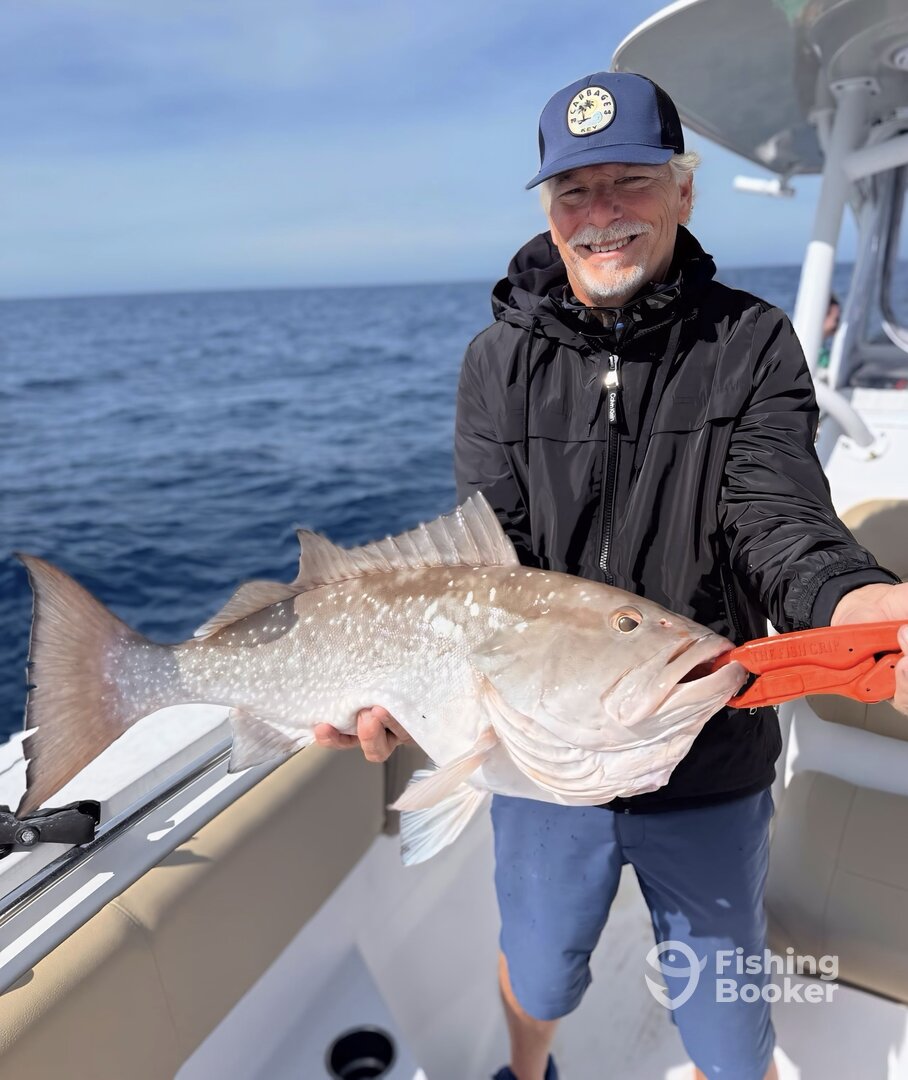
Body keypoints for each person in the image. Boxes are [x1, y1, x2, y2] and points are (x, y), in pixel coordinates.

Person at [314, 71, 908, 1080]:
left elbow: (777, 522)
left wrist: (858, 608)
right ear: (548, 212)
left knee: (724, 1020)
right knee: (539, 976)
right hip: (538, 761)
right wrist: (381, 677)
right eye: (572, 192)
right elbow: (482, 560)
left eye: (628, 182)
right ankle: (525, 1068)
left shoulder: (751, 344)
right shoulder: (494, 363)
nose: (600, 216)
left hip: (703, 752)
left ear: (682, 190)